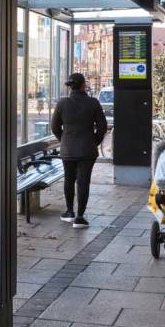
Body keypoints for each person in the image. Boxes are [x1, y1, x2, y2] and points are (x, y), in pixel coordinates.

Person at [51, 73, 108, 229]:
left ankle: (69, 212)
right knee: (83, 182)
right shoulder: (93, 103)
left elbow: (55, 127)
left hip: (68, 149)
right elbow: (102, 127)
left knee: (69, 180)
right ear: (83, 85)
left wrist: (64, 140)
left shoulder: (62, 104)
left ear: (70, 87)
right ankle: (80, 217)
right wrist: (94, 141)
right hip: (87, 150)